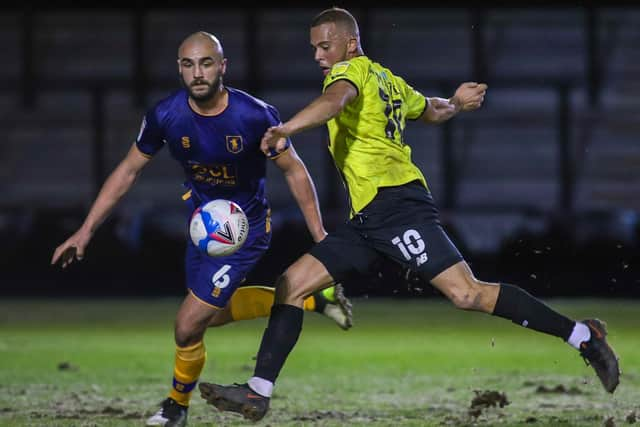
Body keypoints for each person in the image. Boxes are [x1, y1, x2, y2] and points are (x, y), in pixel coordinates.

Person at [198, 7, 621, 422]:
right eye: (314, 48)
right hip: (367, 218)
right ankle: (257, 394)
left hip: (397, 206)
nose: (318, 56)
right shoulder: (389, 80)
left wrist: (286, 129)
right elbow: (432, 109)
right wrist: (455, 102)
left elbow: (335, 99)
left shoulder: (349, 74)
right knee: (292, 283)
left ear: (350, 43)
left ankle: (584, 336)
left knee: (467, 294)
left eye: (325, 46)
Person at [50, 31, 353, 427]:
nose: (198, 72)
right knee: (210, 317)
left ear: (222, 66)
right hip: (203, 227)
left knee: (187, 323)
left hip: (243, 230)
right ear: (179, 68)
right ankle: (311, 300)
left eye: (206, 63)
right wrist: (86, 230)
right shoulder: (165, 115)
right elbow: (128, 171)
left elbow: (295, 171)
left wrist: (320, 239)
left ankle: (176, 407)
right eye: (189, 64)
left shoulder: (254, 115)